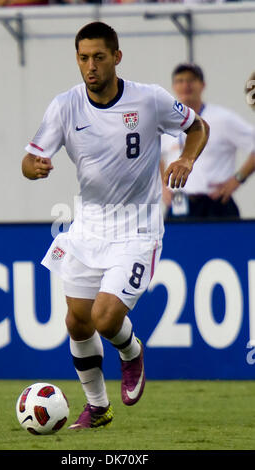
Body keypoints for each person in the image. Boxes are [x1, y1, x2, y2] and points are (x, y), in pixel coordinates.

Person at [21, 22, 209, 430]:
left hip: (137, 229)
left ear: (117, 57)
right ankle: (98, 407)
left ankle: (131, 351)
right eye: (83, 58)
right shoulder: (65, 106)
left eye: (99, 57)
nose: (90, 66)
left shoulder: (150, 99)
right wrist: (34, 168)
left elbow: (197, 127)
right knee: (76, 321)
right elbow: (29, 157)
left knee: (106, 318)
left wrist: (186, 159)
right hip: (88, 227)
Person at [161, 63, 255, 219]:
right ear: (173, 86)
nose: (186, 85)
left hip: (215, 203)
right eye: (180, 81)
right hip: (180, 203)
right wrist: (163, 186)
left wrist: (237, 179)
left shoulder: (222, 119)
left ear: (202, 85)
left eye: (191, 80)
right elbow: (157, 155)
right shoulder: (165, 121)